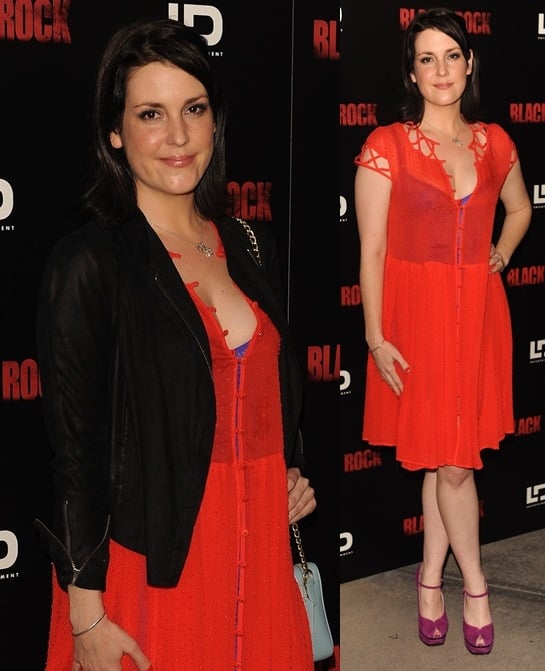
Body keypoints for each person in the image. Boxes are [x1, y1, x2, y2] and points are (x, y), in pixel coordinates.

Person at [35, 17, 317, 671]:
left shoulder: (249, 243)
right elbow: (75, 455)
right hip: (155, 562)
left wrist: (290, 473)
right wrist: (86, 617)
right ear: (115, 130)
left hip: (260, 560)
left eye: (193, 109)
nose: (178, 136)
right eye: (150, 114)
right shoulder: (89, 262)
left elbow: (268, 395)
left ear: (214, 120)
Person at [354, 7, 531, 656]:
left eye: (450, 55)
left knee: (448, 460)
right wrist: (376, 336)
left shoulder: (494, 143)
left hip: (480, 320)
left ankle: (432, 577)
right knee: (448, 461)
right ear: (410, 71)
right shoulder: (386, 146)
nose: (439, 69)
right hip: (416, 323)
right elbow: (369, 252)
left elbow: (518, 208)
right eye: (425, 58)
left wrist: (502, 254)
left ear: (469, 62)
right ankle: (474, 584)